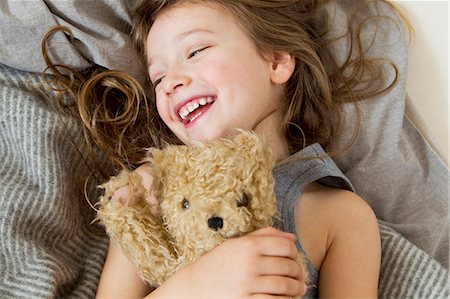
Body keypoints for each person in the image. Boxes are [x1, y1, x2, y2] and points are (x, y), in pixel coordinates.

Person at [42, 0, 405, 298]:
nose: (171, 83)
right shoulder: (150, 190)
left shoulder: (342, 216)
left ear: (276, 60)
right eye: (158, 77)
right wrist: (195, 286)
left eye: (195, 50)